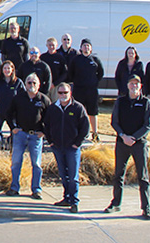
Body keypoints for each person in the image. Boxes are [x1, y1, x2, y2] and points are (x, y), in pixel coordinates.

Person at [106, 75, 150, 219]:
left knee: (143, 177)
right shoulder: (121, 102)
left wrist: (133, 138)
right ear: (127, 86)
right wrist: (123, 136)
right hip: (122, 143)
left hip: (139, 144)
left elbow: (147, 126)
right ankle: (116, 203)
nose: (134, 86)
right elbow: (114, 122)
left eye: (136, 84)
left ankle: (146, 208)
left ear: (140, 86)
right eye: (131, 83)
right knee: (118, 175)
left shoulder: (146, 103)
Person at [44, 82, 90, 212]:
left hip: (72, 148)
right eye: (60, 93)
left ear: (70, 93)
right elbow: (46, 125)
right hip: (58, 147)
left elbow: (85, 128)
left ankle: (74, 201)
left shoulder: (78, 108)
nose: (63, 95)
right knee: (63, 175)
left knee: (73, 176)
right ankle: (66, 198)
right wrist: (51, 141)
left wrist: (77, 143)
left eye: (65, 92)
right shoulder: (53, 108)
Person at [7, 74, 51, 199]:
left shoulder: (44, 99)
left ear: (39, 85)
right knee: (16, 162)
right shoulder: (18, 98)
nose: (32, 85)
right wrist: (13, 128)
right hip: (20, 134)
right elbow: (9, 113)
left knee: (36, 164)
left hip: (36, 136)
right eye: (29, 82)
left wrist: (44, 131)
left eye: (34, 83)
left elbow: (50, 118)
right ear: (25, 85)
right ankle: (14, 188)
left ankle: (36, 189)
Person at [69, 38, 104, 141]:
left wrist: (94, 82)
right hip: (79, 90)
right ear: (81, 48)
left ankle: (95, 133)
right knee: (78, 112)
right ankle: (79, 132)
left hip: (92, 91)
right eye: (84, 46)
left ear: (91, 48)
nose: (86, 47)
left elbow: (100, 73)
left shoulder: (95, 60)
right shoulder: (76, 60)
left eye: (88, 46)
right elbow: (71, 73)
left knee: (93, 112)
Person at [0, 60, 24, 147]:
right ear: (2, 70)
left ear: (12, 70)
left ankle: (12, 149)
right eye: (5, 68)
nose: (7, 70)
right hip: (0, 112)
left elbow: (23, 96)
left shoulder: (18, 82)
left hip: (13, 113)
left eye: (8, 68)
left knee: (15, 134)